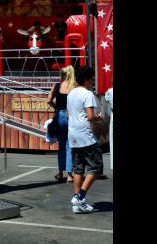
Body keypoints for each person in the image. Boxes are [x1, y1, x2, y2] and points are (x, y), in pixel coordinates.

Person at [67, 65, 104, 214]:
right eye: (92, 79)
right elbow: (90, 117)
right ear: (87, 80)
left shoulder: (71, 93)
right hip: (85, 135)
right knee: (96, 167)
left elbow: (71, 114)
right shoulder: (87, 94)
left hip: (73, 134)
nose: (93, 82)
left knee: (78, 169)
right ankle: (80, 197)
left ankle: (77, 202)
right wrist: (98, 118)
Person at [47, 65, 75, 182]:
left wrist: (57, 107)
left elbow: (49, 100)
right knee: (69, 146)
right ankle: (69, 175)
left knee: (61, 146)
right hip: (70, 116)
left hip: (59, 116)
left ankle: (60, 173)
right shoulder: (74, 87)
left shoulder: (57, 86)